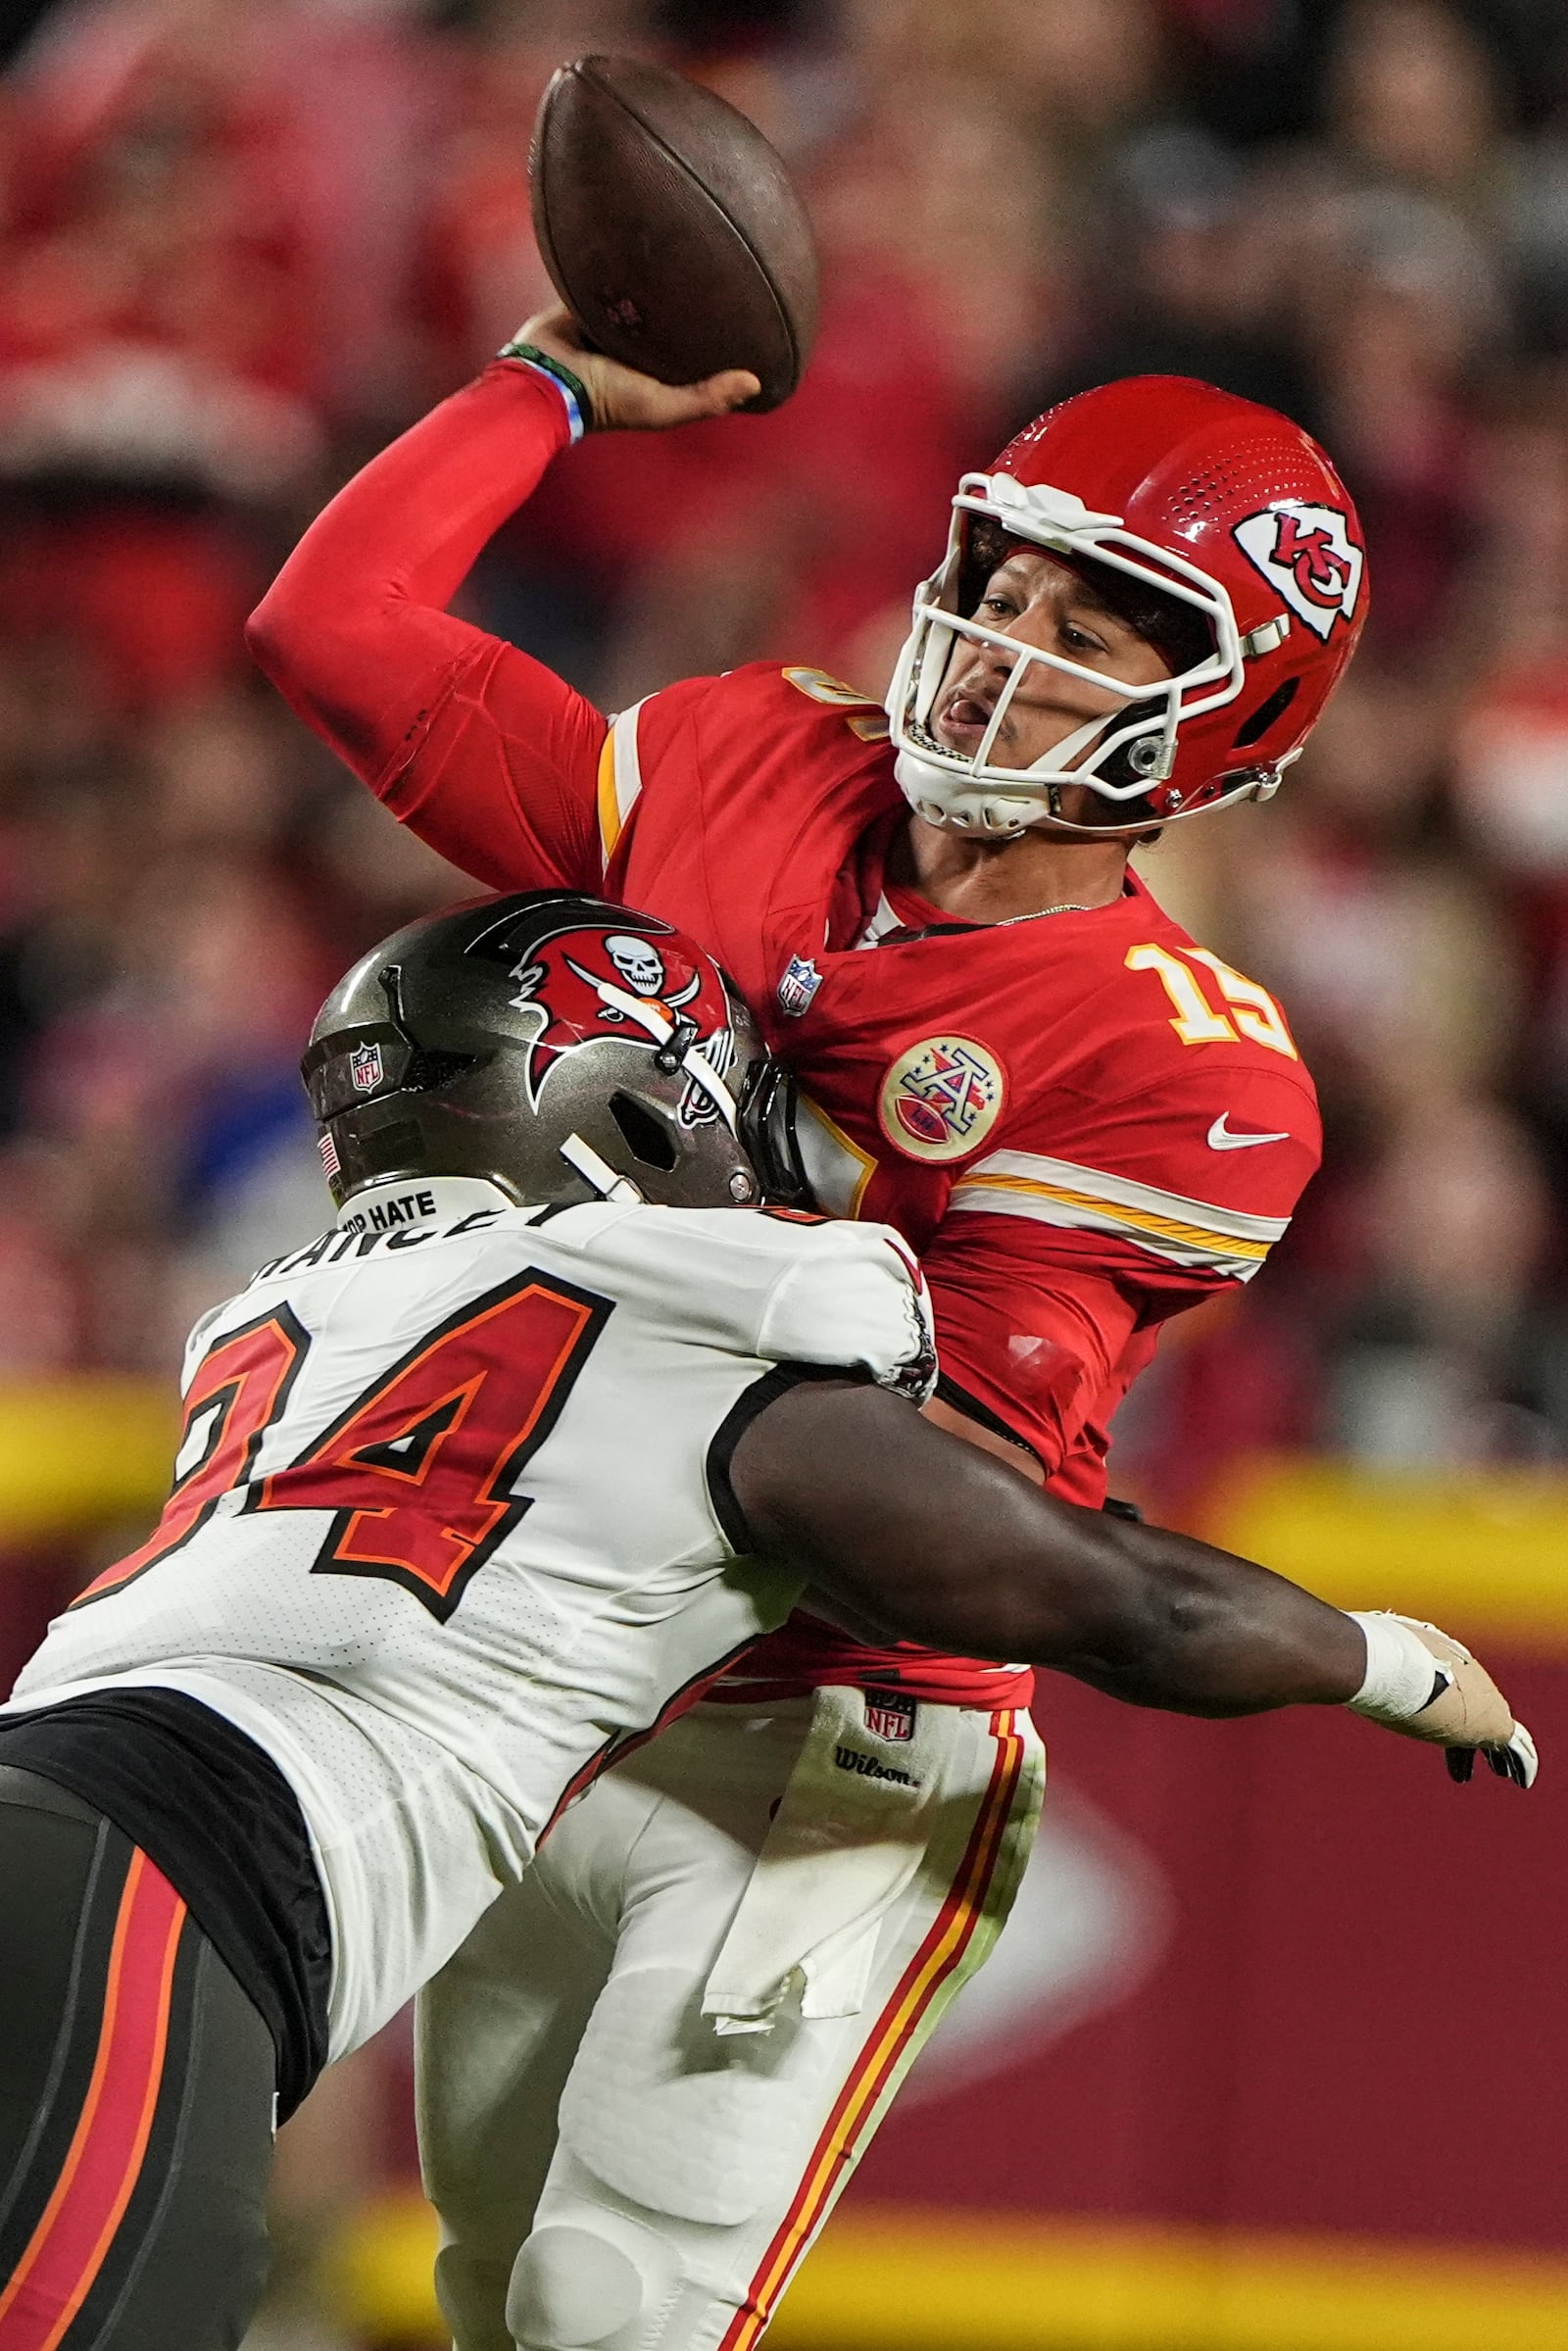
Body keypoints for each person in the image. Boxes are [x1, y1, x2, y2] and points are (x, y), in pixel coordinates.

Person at [245, 311, 1377, 2351]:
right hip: (573, 1662)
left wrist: (704, 1191)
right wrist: (548, 385)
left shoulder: (1176, 1062)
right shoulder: (742, 753)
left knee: (614, 2309)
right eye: (997, 578)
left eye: (1099, 623)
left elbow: (931, 1477)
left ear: (1221, 715)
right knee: (492, 2294)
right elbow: (335, 623)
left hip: (837, 1723)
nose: (1004, 642)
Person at [0, 889, 1534, 2351]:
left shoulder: (277, 1306)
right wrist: (1388, 1660)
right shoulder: (709, 1293)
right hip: (170, 1871)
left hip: (69, 1792)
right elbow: (1108, 1601)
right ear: (643, 1097)